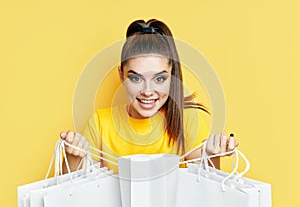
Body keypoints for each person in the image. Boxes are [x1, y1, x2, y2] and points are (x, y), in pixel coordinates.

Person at [60, 19, 238, 173]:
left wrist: (213, 157)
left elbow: (206, 192)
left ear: (172, 75)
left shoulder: (189, 120)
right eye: (136, 78)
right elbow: (72, 195)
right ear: (121, 75)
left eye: (159, 78)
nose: (147, 91)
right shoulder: (100, 123)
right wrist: (73, 157)